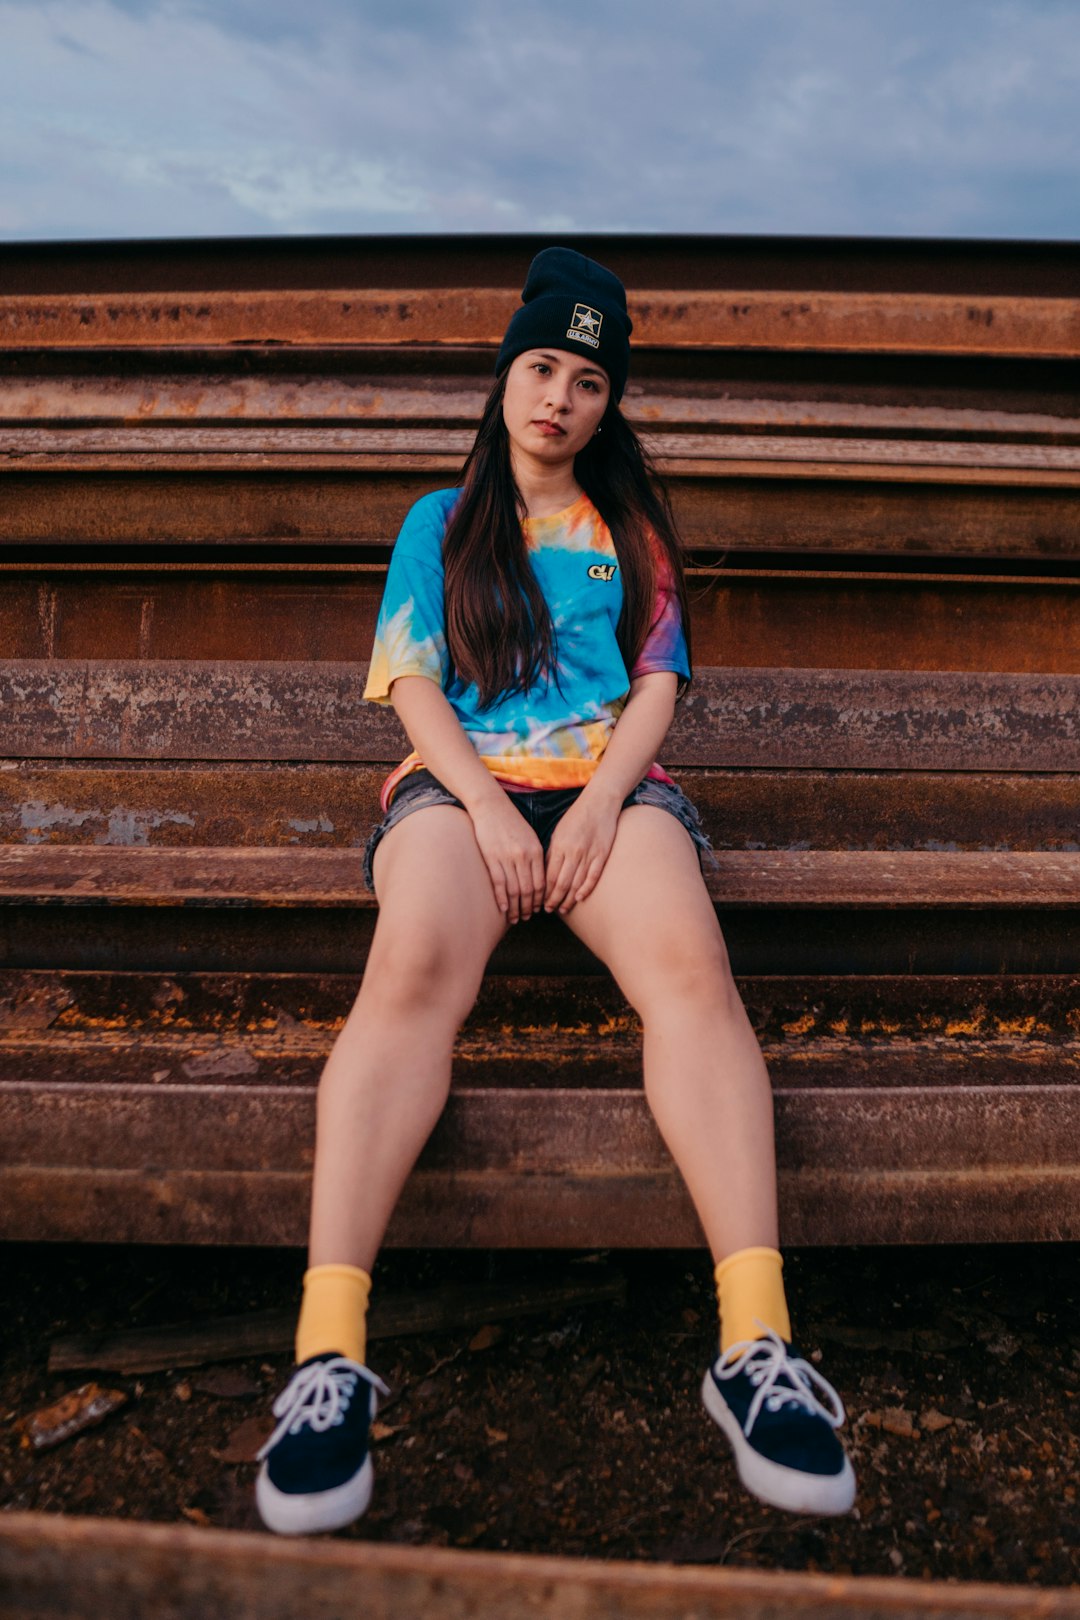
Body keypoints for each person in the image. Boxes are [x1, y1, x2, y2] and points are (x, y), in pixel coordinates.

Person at [254, 248, 855, 1537]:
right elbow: (412, 681)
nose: (559, 399)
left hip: (606, 797)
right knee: (413, 965)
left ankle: (754, 1349)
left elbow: (658, 685)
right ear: (504, 374)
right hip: (460, 793)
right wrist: (479, 806)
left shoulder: (627, 531)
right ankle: (326, 1359)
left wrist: (593, 809)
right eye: (541, 368)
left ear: (606, 403)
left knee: (693, 975)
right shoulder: (442, 522)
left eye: (588, 381)